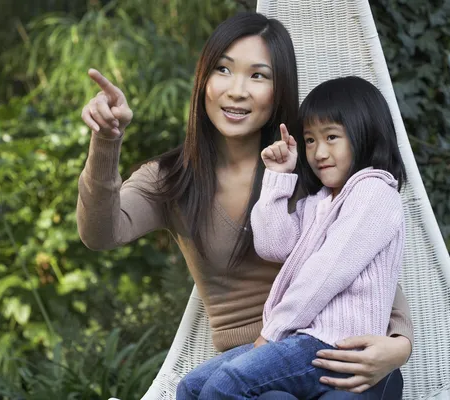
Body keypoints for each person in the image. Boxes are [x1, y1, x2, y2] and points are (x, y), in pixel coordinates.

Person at [77, 12, 413, 399]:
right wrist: (106, 142)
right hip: (254, 365)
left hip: (342, 357)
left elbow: (359, 262)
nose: (237, 90)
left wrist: (399, 343)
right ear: (204, 80)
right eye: (223, 69)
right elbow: (99, 233)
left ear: (279, 90)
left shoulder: (313, 167)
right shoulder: (172, 178)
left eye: (258, 75)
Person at [176, 76, 407, 400]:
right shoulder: (320, 203)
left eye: (331, 137)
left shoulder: (374, 190)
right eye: (310, 140)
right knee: (191, 386)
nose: (318, 151)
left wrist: (271, 335)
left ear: (365, 134)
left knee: (225, 386)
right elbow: (272, 245)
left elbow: (326, 272)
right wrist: (277, 177)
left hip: (334, 343)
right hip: (300, 339)